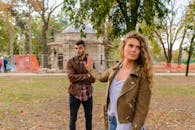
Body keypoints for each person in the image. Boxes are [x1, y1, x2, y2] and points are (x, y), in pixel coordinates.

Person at [84, 31, 153, 130]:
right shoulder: (116, 67)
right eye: (130, 45)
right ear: (123, 46)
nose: (134, 50)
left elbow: (142, 110)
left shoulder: (142, 74)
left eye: (138, 47)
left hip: (127, 124)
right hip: (112, 119)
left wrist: (134, 128)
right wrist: (90, 70)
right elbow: (101, 77)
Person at [66, 40, 95, 130]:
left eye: (80, 48)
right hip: (75, 94)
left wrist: (78, 77)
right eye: (76, 48)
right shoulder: (71, 61)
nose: (78, 50)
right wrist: (86, 75)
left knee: (89, 117)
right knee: (73, 117)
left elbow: (93, 79)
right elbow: (71, 77)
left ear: (84, 48)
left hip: (88, 93)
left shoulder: (90, 61)